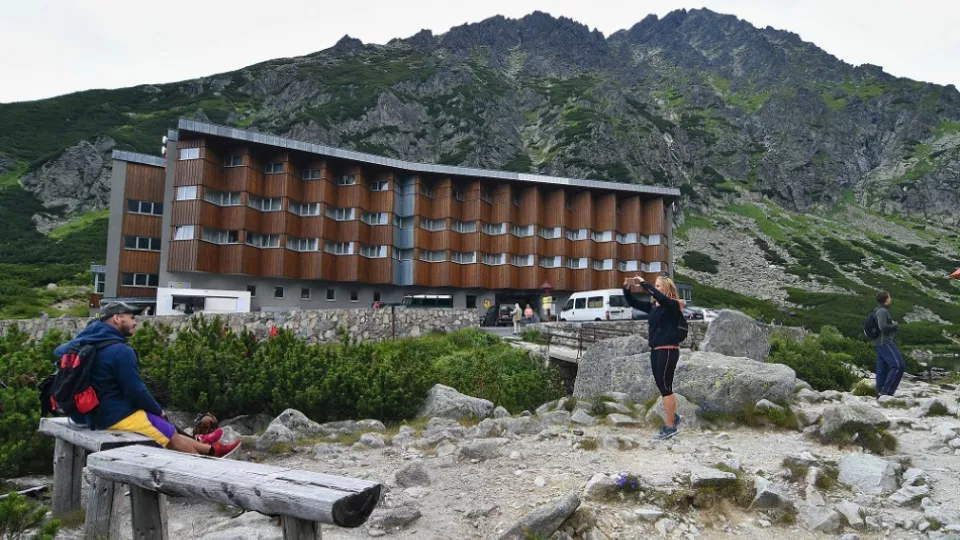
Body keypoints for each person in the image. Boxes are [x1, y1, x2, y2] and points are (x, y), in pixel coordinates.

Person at [53, 302, 240, 457]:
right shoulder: (121, 351)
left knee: (164, 426)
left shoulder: (88, 341)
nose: (136, 323)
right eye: (132, 318)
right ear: (117, 318)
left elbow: (59, 351)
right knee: (168, 433)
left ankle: (209, 449)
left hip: (91, 413)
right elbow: (135, 390)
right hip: (113, 416)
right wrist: (158, 410)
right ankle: (203, 468)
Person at [622, 275, 684, 440]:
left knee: (665, 388)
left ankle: (670, 427)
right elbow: (633, 303)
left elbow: (660, 298)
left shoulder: (672, 305)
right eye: (655, 285)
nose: (656, 288)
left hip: (668, 350)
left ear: (667, 289)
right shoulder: (654, 307)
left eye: (659, 286)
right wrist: (627, 287)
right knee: (661, 386)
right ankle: (674, 416)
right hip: (656, 350)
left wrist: (643, 282)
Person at [873, 290, 905, 396]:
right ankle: (887, 392)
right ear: (886, 299)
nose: (891, 298)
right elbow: (883, 327)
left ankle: (880, 393)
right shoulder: (882, 311)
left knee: (882, 369)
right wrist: (895, 325)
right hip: (885, 342)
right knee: (898, 365)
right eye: (889, 297)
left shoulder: (878, 310)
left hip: (879, 343)